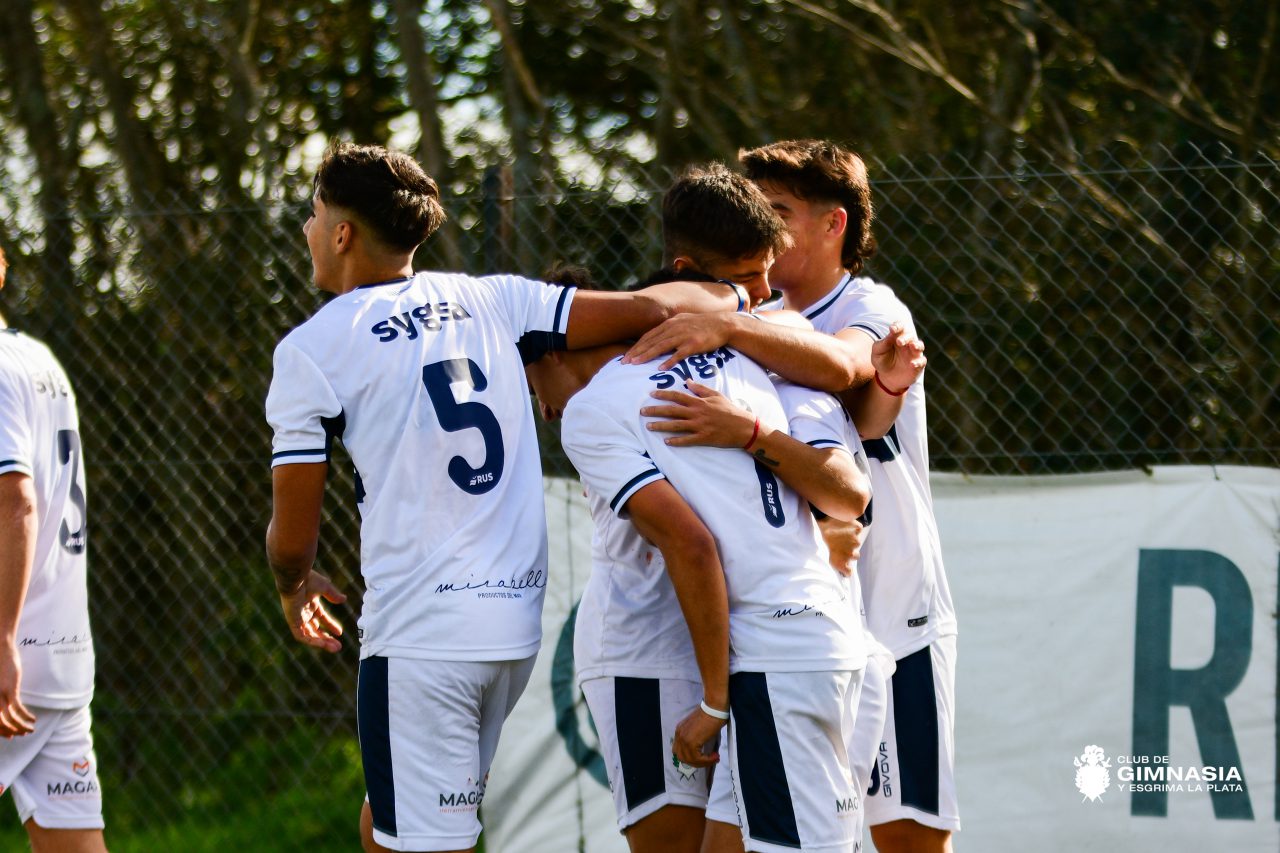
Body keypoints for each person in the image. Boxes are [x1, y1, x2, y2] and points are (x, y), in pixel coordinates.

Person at [263, 142, 750, 853]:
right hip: (511, 632)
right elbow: (651, 306)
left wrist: (293, 584)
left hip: (422, 638)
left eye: (312, 214)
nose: (306, 228)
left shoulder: (311, 349)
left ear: (341, 234)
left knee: (426, 839)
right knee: (385, 824)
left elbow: (292, 537)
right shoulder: (493, 298)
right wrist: (738, 301)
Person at [529, 163, 873, 853]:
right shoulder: (744, 357)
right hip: (686, 650)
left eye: (761, 277)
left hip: (748, 649)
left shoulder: (744, 348)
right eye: (746, 279)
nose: (763, 293)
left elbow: (701, 540)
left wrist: (715, 696)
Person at [735, 139, 960, 852]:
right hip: (793, 620)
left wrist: (727, 325)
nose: (759, 227)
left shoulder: (868, 305)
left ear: (834, 224)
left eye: (777, 212)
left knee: (906, 836)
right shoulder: (747, 313)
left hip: (892, 611)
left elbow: (845, 371)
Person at [0, 244, 109, 853]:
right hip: (61, 659)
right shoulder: (38, 359)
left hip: (11, 657)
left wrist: (3, 640)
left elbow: (16, 503)